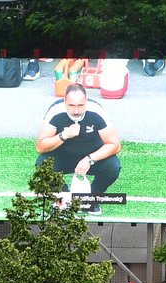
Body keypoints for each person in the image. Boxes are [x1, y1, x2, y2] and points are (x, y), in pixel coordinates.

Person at [35, 83, 122, 214]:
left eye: (80, 105)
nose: (76, 111)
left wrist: (89, 159)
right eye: (71, 105)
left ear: (86, 101)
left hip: (91, 157)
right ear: (64, 102)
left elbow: (114, 144)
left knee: (113, 166)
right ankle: (63, 197)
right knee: (42, 164)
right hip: (63, 157)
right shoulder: (55, 111)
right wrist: (64, 135)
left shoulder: (97, 112)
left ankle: (91, 199)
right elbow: (40, 147)